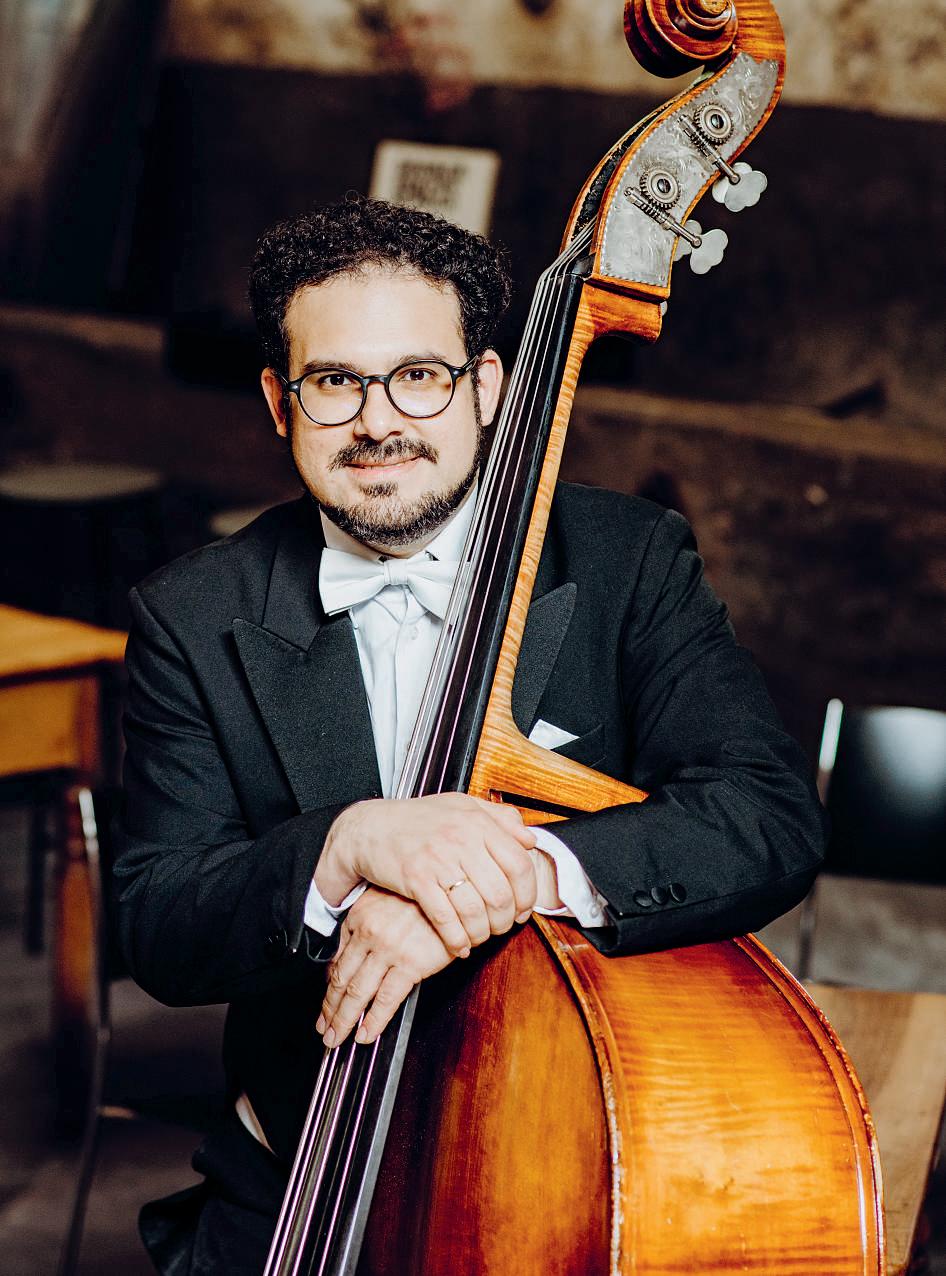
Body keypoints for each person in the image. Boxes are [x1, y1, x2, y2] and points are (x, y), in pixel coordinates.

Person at [113, 196, 826, 1273]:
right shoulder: (192, 613)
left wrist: (514, 875)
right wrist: (346, 846)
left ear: (488, 386)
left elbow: (764, 815)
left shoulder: (627, 561)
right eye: (333, 382)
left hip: (549, 1170)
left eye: (419, 375)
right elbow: (158, 920)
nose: (377, 420)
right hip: (293, 1176)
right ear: (277, 402)